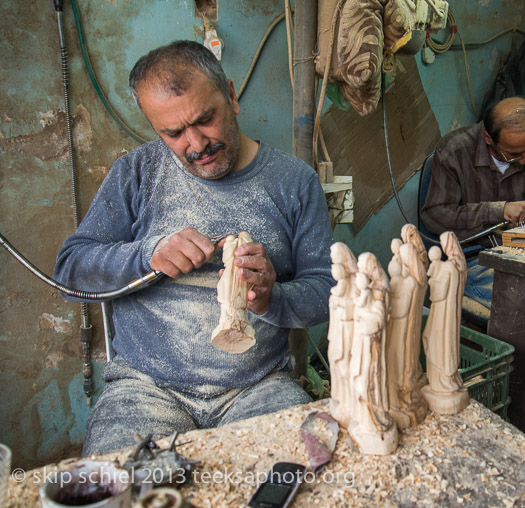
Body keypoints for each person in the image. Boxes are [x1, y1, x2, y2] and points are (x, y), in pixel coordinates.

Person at [53, 40, 335, 455]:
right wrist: (147, 255)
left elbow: (328, 292)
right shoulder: (136, 173)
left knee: (298, 476)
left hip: (256, 389)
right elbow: (69, 272)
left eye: (206, 119)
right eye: (173, 132)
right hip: (146, 390)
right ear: (155, 128)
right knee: (121, 487)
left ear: (232, 96)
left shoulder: (294, 182)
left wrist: (271, 297)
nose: (196, 144)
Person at [420, 96, 525, 316]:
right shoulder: (455, 152)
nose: (524, 160)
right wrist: (499, 210)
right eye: (515, 154)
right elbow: (435, 216)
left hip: (522, 253)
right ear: (488, 138)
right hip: (471, 258)